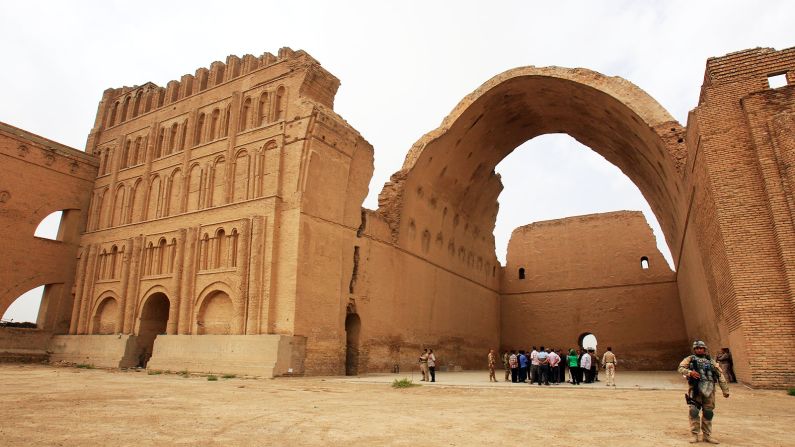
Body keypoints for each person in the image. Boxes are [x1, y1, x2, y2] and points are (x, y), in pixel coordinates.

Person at [678, 340, 730, 444]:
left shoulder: (711, 361)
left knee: (708, 413)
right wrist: (689, 372)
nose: (699, 350)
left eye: (701, 348)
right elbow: (680, 368)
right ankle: (695, 434)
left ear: (704, 349)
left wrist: (725, 390)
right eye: (697, 348)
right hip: (695, 389)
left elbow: (719, 375)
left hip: (710, 389)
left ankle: (707, 435)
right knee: (694, 411)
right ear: (694, 349)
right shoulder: (690, 359)